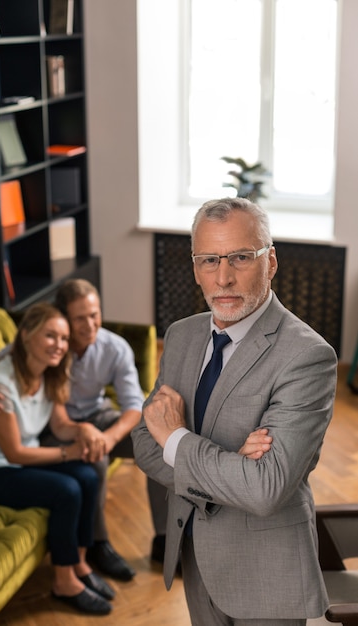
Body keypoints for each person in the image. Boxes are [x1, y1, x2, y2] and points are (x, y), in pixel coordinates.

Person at [131, 197, 338, 626]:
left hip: (266, 576)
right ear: (195, 267)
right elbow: (144, 445)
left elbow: (266, 490)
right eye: (209, 260)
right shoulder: (182, 336)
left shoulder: (308, 356)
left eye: (241, 257)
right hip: (195, 560)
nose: (223, 277)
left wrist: (178, 439)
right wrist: (231, 469)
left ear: (271, 262)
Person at [0, 280, 168, 581]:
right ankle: (99, 544)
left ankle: (163, 539)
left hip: (97, 417)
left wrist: (108, 437)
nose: (89, 325)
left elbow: (134, 405)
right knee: (92, 458)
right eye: (80, 318)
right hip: (54, 428)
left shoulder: (113, 347)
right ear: (63, 317)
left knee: (155, 444)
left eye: (94, 315)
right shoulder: (49, 343)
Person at [0, 302, 114, 615]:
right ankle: (63, 581)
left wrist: (82, 429)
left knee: (87, 475)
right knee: (65, 490)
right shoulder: (0, 383)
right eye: (50, 336)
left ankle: (80, 562)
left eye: (64, 338)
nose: (59, 345)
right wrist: (69, 451)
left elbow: (59, 425)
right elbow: (15, 452)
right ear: (26, 335)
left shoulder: (50, 374)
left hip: (14, 463)